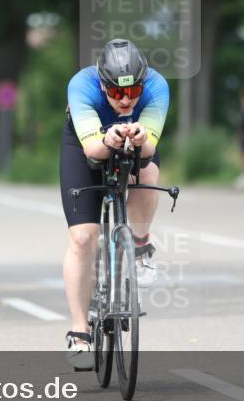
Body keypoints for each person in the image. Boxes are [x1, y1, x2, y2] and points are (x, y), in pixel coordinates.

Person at [59, 39, 170, 368]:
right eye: (117, 92)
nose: (125, 99)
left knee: (147, 173)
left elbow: (148, 149)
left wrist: (140, 138)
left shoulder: (157, 86)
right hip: (86, 143)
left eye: (133, 91)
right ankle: (80, 331)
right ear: (102, 83)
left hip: (135, 145)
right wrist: (107, 139)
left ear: (143, 82)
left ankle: (141, 244)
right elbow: (93, 151)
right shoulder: (82, 85)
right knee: (83, 239)